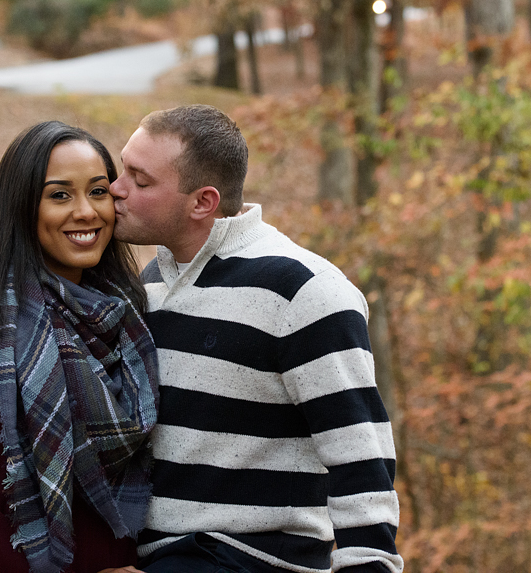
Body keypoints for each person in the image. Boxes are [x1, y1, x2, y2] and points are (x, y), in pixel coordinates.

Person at [109, 104, 404, 573]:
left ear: (202, 202)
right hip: (159, 556)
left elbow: (360, 456)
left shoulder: (305, 292)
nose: (115, 190)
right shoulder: (151, 283)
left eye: (140, 181)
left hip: (257, 559)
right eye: (122, 169)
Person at [0, 121, 160, 573]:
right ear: (22, 208)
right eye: (60, 195)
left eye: (99, 191)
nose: (86, 212)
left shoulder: (130, 321)